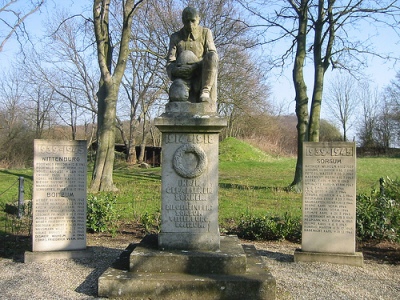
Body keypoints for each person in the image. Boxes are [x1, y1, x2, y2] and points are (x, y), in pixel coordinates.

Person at [166, 6, 218, 104]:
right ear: (182, 21)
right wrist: (175, 71)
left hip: (200, 76)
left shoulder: (205, 33)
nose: (190, 24)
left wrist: (194, 67)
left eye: (193, 20)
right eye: (186, 21)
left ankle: (205, 91)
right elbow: (170, 62)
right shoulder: (175, 37)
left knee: (212, 56)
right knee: (177, 96)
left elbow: (212, 56)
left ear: (198, 19)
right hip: (182, 77)